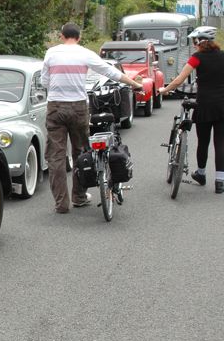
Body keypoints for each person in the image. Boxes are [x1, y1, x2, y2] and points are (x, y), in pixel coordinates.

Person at [42, 23, 143, 213]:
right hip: (79, 107)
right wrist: (134, 84)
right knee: (81, 152)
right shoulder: (85, 53)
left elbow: (44, 81)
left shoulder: (51, 53)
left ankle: (61, 204)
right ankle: (79, 197)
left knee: (56, 157)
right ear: (79, 37)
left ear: (62, 36)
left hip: (55, 107)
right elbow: (110, 72)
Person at [159, 26, 224, 194]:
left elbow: (179, 80)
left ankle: (201, 174)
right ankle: (220, 181)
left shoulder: (197, 58)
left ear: (199, 42)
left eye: (195, 42)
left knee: (203, 141)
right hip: (222, 105)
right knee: (220, 143)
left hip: (204, 105)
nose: (194, 45)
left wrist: (164, 90)